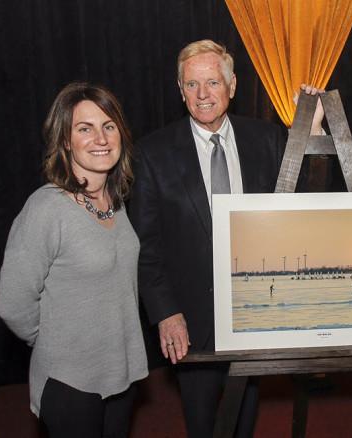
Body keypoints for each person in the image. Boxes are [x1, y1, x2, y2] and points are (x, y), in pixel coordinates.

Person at [128, 39, 324, 438]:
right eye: (192, 85)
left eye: (213, 83)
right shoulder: (151, 154)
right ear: (179, 90)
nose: (203, 95)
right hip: (191, 320)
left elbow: (307, 206)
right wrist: (165, 313)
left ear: (232, 86)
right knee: (202, 424)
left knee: (244, 419)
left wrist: (315, 127)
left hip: (254, 313)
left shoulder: (267, 140)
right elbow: (145, 248)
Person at [0, 82, 148, 438]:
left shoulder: (116, 201)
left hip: (119, 376)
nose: (101, 137)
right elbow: (12, 304)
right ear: (65, 140)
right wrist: (55, 341)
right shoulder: (46, 208)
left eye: (109, 126)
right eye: (85, 128)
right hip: (69, 381)